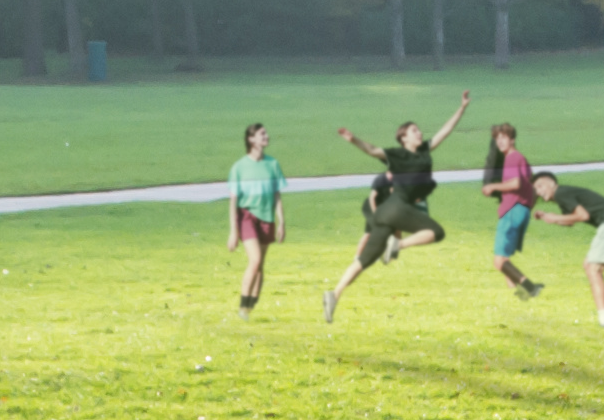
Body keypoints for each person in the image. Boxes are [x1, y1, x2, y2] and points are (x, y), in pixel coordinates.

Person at [319, 89, 471, 321]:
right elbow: (372, 150)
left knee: (364, 260)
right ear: (403, 138)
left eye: (418, 129)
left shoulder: (424, 150)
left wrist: (461, 108)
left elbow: (445, 131)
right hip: (398, 207)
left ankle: (334, 294)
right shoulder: (396, 155)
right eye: (413, 130)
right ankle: (398, 245)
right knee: (436, 232)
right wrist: (354, 140)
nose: (419, 132)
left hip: (386, 212)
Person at [529, 168, 604, 325]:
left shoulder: (561, 193)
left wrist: (555, 217)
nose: (538, 192)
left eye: (540, 186)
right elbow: (571, 221)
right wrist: (547, 217)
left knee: (593, 268)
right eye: (535, 190)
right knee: (590, 266)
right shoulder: (563, 195)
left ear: (551, 183)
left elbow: (583, 215)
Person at [223, 122, 286, 313]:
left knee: (260, 265)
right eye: (262, 134)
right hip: (247, 216)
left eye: (266, 133)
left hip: (267, 217)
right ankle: (243, 305)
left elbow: (277, 195)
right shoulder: (239, 167)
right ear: (251, 139)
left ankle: (250, 308)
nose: (266, 137)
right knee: (255, 260)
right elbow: (233, 201)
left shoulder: (272, 164)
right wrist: (233, 231)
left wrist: (281, 221)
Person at [480, 120, 545, 300]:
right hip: (521, 211)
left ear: (512, 139)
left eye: (503, 137)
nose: (499, 141)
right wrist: (527, 206)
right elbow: (533, 187)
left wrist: (493, 186)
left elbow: (515, 183)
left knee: (499, 261)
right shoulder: (522, 159)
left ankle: (531, 288)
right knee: (504, 259)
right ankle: (514, 294)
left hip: (512, 211)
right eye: (497, 138)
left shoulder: (512, 158)